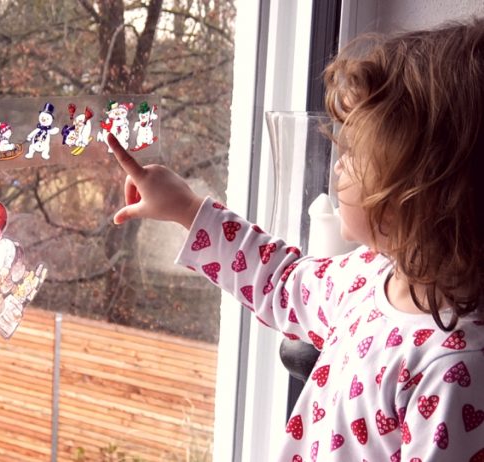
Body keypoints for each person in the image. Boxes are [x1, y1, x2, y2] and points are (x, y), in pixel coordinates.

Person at [108, 17, 484, 462]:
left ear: (419, 191)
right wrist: (185, 208)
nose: (337, 168)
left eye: (354, 156)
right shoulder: (367, 277)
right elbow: (280, 280)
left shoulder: (454, 370)